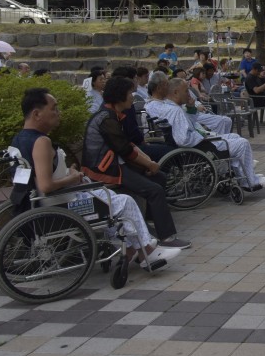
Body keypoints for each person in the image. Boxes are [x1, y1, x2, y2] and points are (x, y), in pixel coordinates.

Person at [10, 87, 179, 269]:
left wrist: (69, 174)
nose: (58, 113)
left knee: (109, 199)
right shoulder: (42, 142)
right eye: (54, 108)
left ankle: (132, 249)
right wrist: (73, 178)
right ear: (37, 114)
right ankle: (146, 251)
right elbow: (46, 184)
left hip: (46, 202)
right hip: (61, 205)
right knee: (125, 202)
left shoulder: (19, 139)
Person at [82, 76, 191, 250]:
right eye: (129, 93)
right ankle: (167, 238)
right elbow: (126, 150)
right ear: (120, 96)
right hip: (106, 170)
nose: (133, 96)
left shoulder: (113, 114)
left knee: (159, 177)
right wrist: (148, 164)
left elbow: (128, 145)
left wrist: (148, 163)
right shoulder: (106, 119)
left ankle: (149, 224)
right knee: (154, 189)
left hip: (116, 164)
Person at [149, 77, 265, 191]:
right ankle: (249, 182)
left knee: (235, 137)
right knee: (242, 143)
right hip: (201, 146)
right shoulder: (175, 111)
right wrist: (203, 136)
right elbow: (183, 139)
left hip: (200, 141)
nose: (189, 94)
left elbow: (189, 123)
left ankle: (244, 172)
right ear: (175, 93)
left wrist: (191, 107)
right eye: (186, 91)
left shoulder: (171, 107)